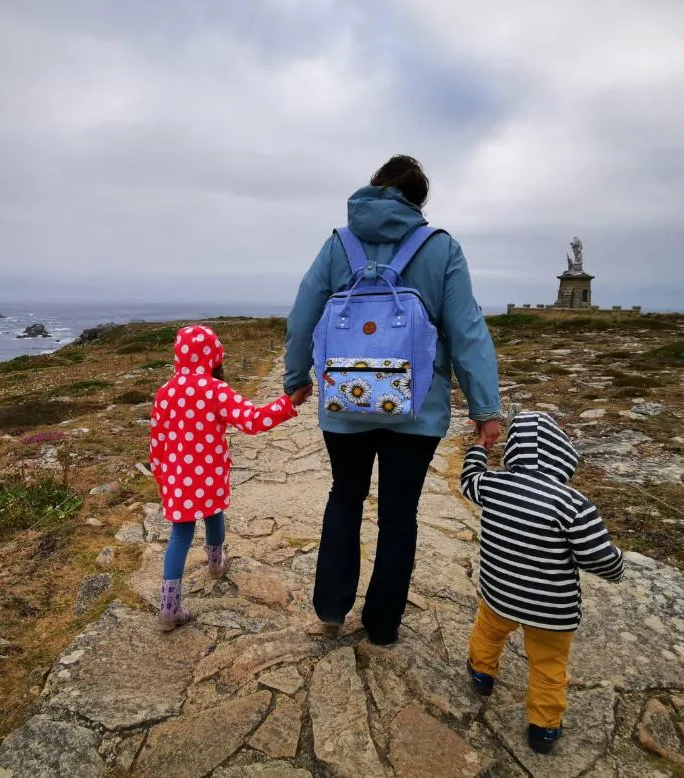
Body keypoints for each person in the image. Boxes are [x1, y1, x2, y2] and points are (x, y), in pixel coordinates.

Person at [283, 155, 502, 646]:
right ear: (418, 202)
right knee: (399, 516)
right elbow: (466, 329)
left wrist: (296, 378)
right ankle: (382, 625)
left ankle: (331, 608)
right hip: (417, 409)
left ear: (375, 188)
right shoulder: (440, 247)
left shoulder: (339, 244)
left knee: (345, 495)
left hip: (345, 403)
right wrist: (485, 407)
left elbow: (302, 315)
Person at [460, 411, 625, 755]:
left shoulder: (493, 485)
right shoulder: (573, 504)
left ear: (514, 449)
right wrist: (618, 567)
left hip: (499, 595)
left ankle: (481, 675)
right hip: (551, 609)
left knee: (488, 634)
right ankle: (543, 728)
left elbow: (469, 479)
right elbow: (599, 557)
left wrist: (480, 446)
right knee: (548, 666)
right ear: (562, 452)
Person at [149, 325, 309, 631]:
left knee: (180, 534)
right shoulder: (215, 390)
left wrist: (160, 475)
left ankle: (169, 608)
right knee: (214, 514)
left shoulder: (165, 392)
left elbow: (157, 439)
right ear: (214, 356)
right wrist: (288, 403)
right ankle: (216, 564)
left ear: (179, 355)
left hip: (176, 477)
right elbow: (253, 420)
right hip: (209, 475)